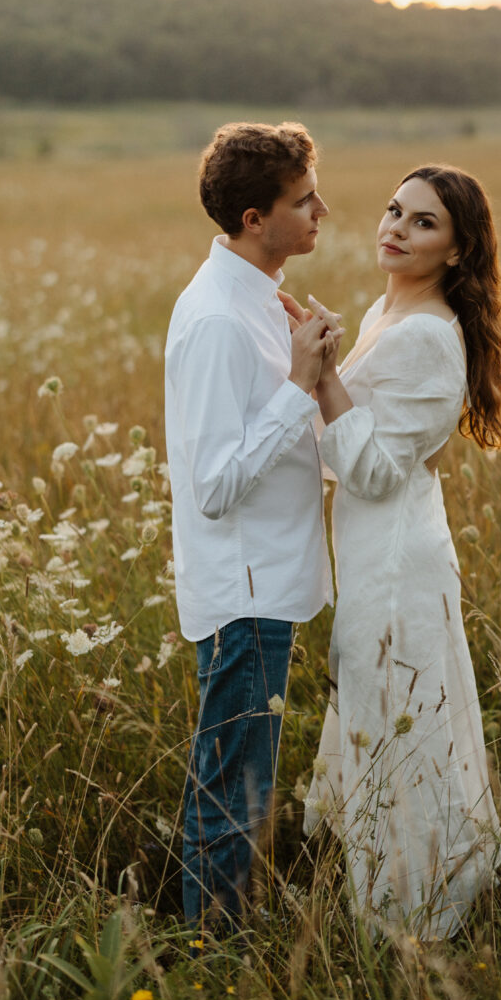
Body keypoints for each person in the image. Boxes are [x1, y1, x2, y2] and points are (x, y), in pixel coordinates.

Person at [303, 164, 501, 940]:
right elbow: (352, 443)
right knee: (383, 709)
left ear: (458, 250)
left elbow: (369, 469)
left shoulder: (430, 336)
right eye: (395, 210)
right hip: (373, 545)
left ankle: (412, 913)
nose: (396, 228)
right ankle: (403, 879)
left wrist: (324, 378)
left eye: (423, 222)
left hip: (397, 559)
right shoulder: (385, 311)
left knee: (400, 719)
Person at [164, 121, 342, 935]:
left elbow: (285, 443)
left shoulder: (264, 299)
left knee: (243, 778)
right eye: (304, 201)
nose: (322, 212)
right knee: (232, 789)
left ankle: (224, 936)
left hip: (269, 578)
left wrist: (318, 373)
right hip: (244, 593)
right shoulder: (217, 320)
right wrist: (298, 386)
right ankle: (215, 958)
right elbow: (213, 486)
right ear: (253, 219)